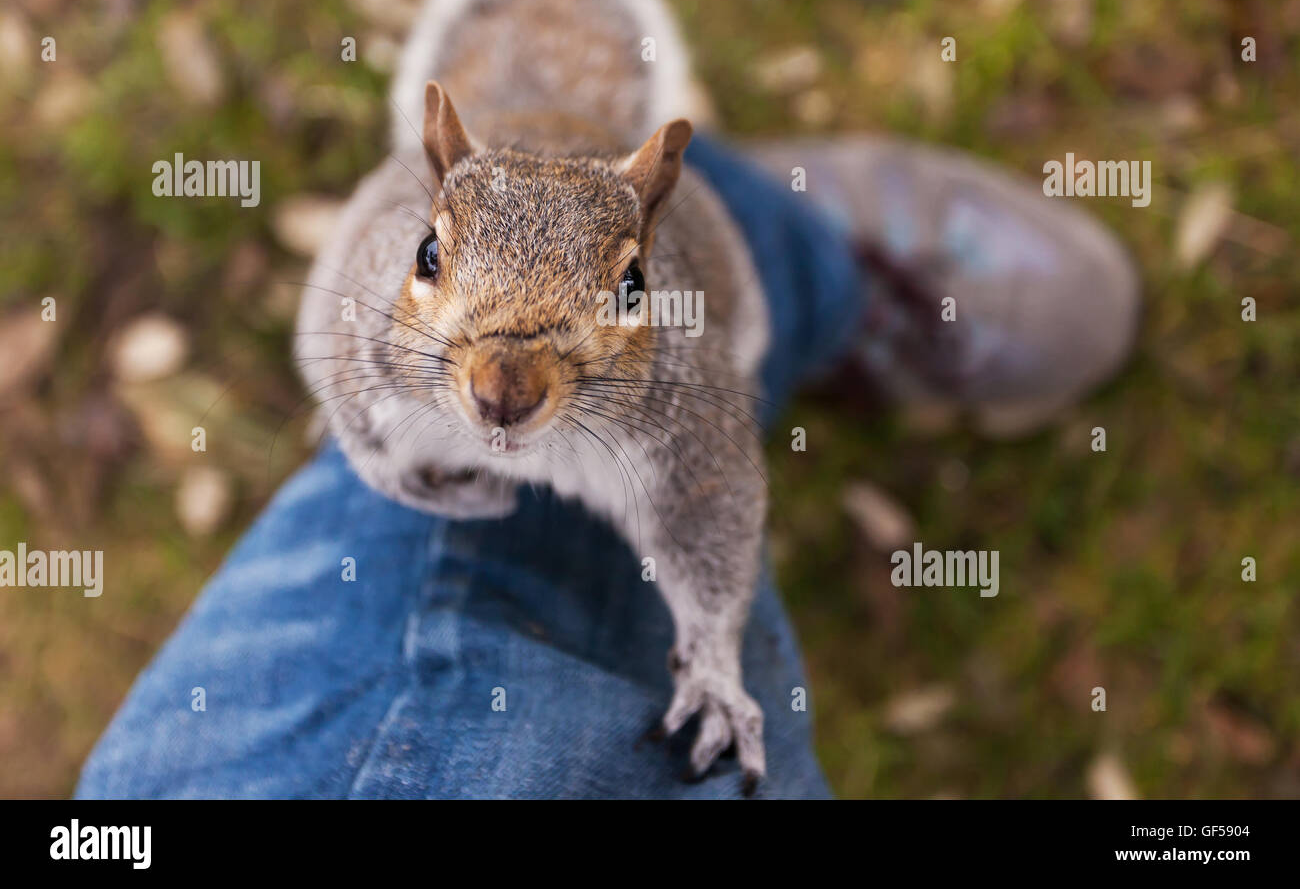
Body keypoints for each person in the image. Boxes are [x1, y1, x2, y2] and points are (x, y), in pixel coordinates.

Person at [76, 132, 1138, 799]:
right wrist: (372, 439)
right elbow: (357, 355)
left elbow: (704, 491)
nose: (502, 380)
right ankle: (789, 244)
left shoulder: (656, 371)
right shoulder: (393, 329)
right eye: (440, 263)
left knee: (711, 366)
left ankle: (772, 242)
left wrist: (710, 647)